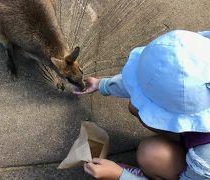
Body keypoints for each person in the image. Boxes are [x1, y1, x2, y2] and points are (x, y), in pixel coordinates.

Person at [73, 30, 210, 180]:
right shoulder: (197, 53)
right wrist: (103, 84)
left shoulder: (205, 156)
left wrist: (120, 175)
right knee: (136, 106)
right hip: (200, 138)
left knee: (150, 154)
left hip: (201, 168)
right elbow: (150, 82)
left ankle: (165, 174)